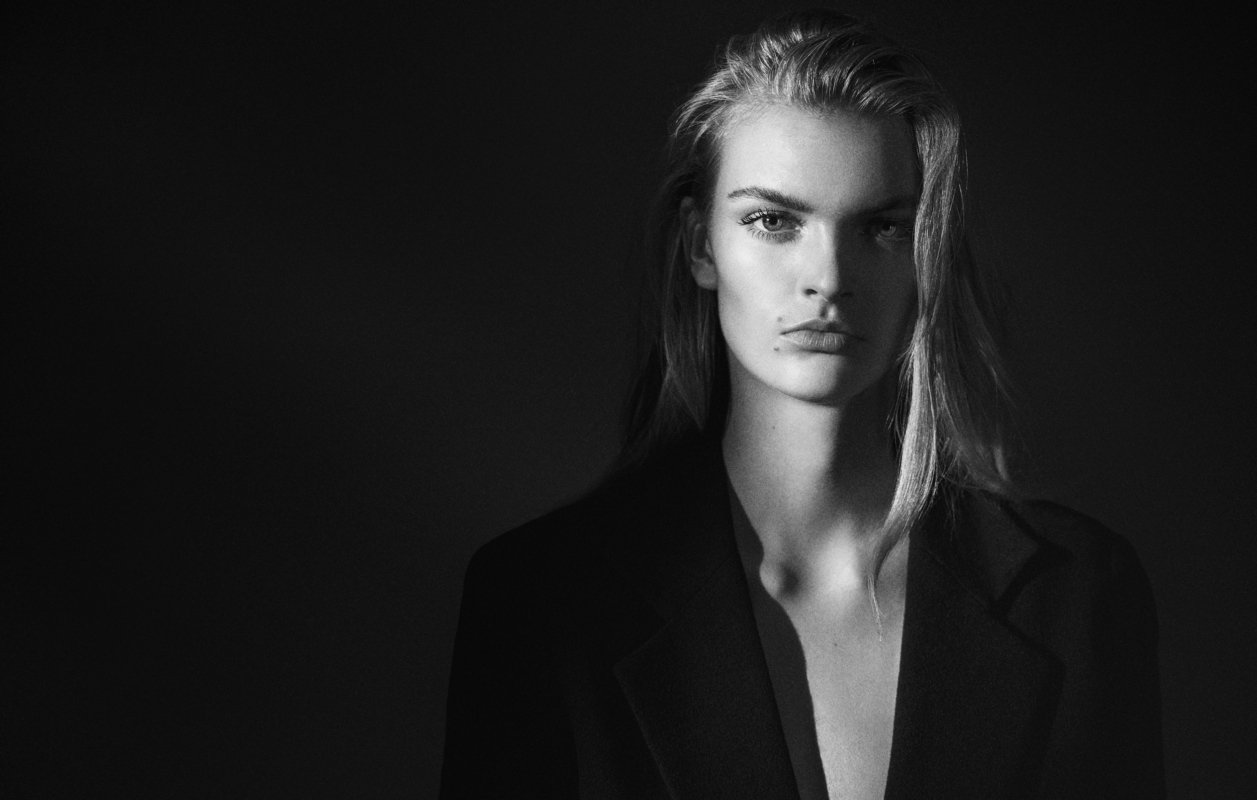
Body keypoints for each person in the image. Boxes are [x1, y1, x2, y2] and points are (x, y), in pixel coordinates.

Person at [439, 10, 1164, 799]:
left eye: (881, 227)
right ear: (700, 245)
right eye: (772, 221)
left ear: (927, 252)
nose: (828, 278)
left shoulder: (1075, 594)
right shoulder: (540, 602)